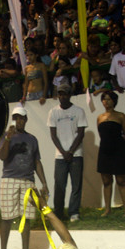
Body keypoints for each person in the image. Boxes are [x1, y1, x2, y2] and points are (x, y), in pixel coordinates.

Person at [0, 106, 49, 249]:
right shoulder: (6, 136)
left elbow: (36, 162)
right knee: (6, 217)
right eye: (16, 117)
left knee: (26, 217)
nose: (19, 120)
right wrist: (8, 138)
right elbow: (2, 156)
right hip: (9, 180)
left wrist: (44, 183)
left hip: (28, 180)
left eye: (21, 118)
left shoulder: (32, 139)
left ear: (25, 120)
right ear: (13, 119)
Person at [48, 84, 87, 222]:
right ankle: (58, 213)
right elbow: (53, 135)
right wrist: (64, 152)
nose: (62, 97)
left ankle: (73, 212)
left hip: (76, 154)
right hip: (60, 155)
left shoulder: (79, 111)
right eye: (60, 94)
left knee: (76, 185)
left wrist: (70, 151)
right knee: (59, 185)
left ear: (70, 95)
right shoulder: (53, 112)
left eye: (64, 94)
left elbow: (81, 133)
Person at [97, 91, 125, 217]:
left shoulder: (121, 116)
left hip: (118, 150)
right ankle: (107, 209)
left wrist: (121, 147)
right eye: (104, 99)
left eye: (108, 99)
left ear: (114, 101)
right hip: (104, 151)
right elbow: (101, 135)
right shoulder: (100, 117)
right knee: (106, 181)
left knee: (121, 180)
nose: (106, 102)